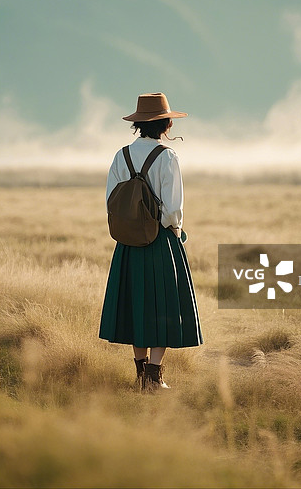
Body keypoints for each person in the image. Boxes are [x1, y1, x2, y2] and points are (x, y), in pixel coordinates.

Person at [98, 92, 203, 391]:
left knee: (136, 306)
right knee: (163, 309)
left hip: (128, 243)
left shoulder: (122, 155)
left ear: (138, 124)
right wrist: (176, 232)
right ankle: (154, 379)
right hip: (160, 241)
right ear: (166, 124)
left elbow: (111, 199)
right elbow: (173, 209)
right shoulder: (167, 157)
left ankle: (140, 375)